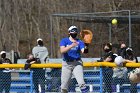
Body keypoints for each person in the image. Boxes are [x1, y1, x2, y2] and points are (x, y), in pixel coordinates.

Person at [60, 25, 89, 93]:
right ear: (69, 32)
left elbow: (84, 51)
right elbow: (62, 51)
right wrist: (71, 46)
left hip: (77, 63)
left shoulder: (79, 42)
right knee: (64, 86)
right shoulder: (64, 40)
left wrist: (86, 47)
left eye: (76, 31)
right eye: (73, 31)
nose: (74, 32)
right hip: (66, 64)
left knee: (81, 83)